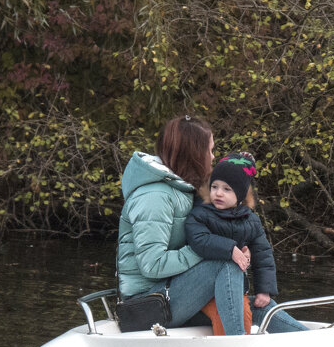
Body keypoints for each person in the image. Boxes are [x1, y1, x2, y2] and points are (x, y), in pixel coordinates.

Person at [116, 115, 301, 335]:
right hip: (147, 305)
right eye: (210, 151)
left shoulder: (183, 190)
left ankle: (316, 343)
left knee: (261, 307)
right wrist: (216, 249)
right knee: (224, 262)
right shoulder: (155, 196)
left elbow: (208, 234)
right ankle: (235, 346)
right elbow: (153, 264)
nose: (213, 158)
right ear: (194, 154)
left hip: (170, 293)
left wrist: (240, 249)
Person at [184, 152, 305, 334]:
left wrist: (265, 289)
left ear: (240, 194)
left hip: (237, 288)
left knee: (266, 305)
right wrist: (230, 249)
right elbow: (199, 239)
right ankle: (234, 346)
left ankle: (306, 337)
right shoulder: (200, 214)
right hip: (206, 291)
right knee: (235, 309)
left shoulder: (251, 220)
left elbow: (263, 255)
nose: (218, 193)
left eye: (227, 189)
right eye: (215, 187)